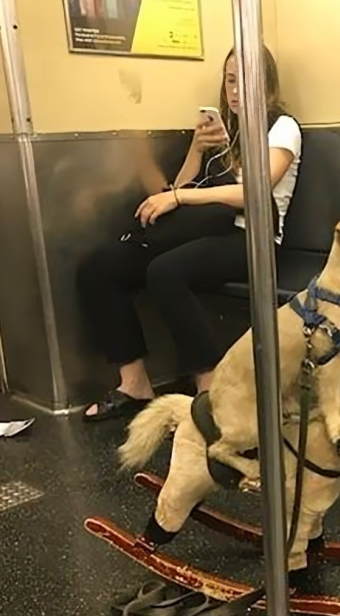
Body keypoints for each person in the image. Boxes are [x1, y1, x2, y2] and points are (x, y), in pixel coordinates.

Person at [77, 46, 302, 421]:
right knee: (99, 266)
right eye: (230, 80)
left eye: (245, 81)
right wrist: (197, 152)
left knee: (166, 271)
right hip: (204, 229)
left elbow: (258, 188)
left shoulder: (282, 127)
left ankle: (210, 390)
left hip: (250, 238)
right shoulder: (222, 129)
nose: (235, 90)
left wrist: (182, 197)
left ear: (267, 86)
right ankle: (134, 384)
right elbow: (180, 189)